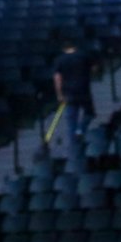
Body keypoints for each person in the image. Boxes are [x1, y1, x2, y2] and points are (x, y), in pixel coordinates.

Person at [52, 37, 96, 174]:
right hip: (83, 90)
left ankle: (74, 145)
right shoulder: (83, 55)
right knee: (90, 113)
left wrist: (59, 94)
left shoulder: (60, 60)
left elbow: (57, 78)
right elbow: (94, 68)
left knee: (71, 119)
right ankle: (81, 130)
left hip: (68, 93)